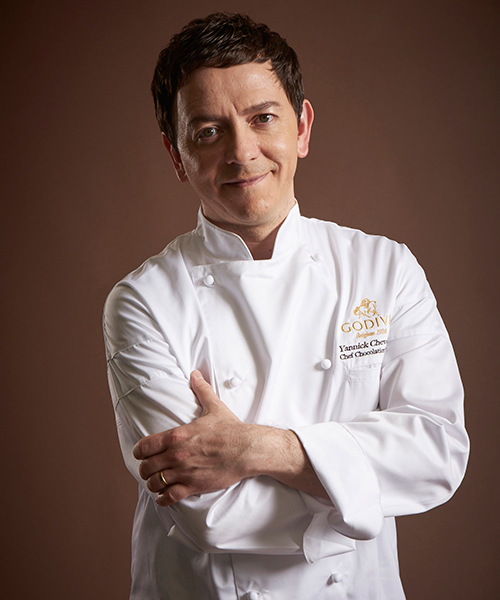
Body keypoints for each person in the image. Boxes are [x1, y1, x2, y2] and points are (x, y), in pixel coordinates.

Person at [103, 12, 469, 600]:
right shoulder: (143, 302)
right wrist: (356, 489)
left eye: (263, 118)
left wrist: (258, 449)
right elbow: (209, 516)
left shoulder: (386, 268)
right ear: (176, 154)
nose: (241, 152)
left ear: (301, 127)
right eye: (208, 131)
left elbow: (437, 453)